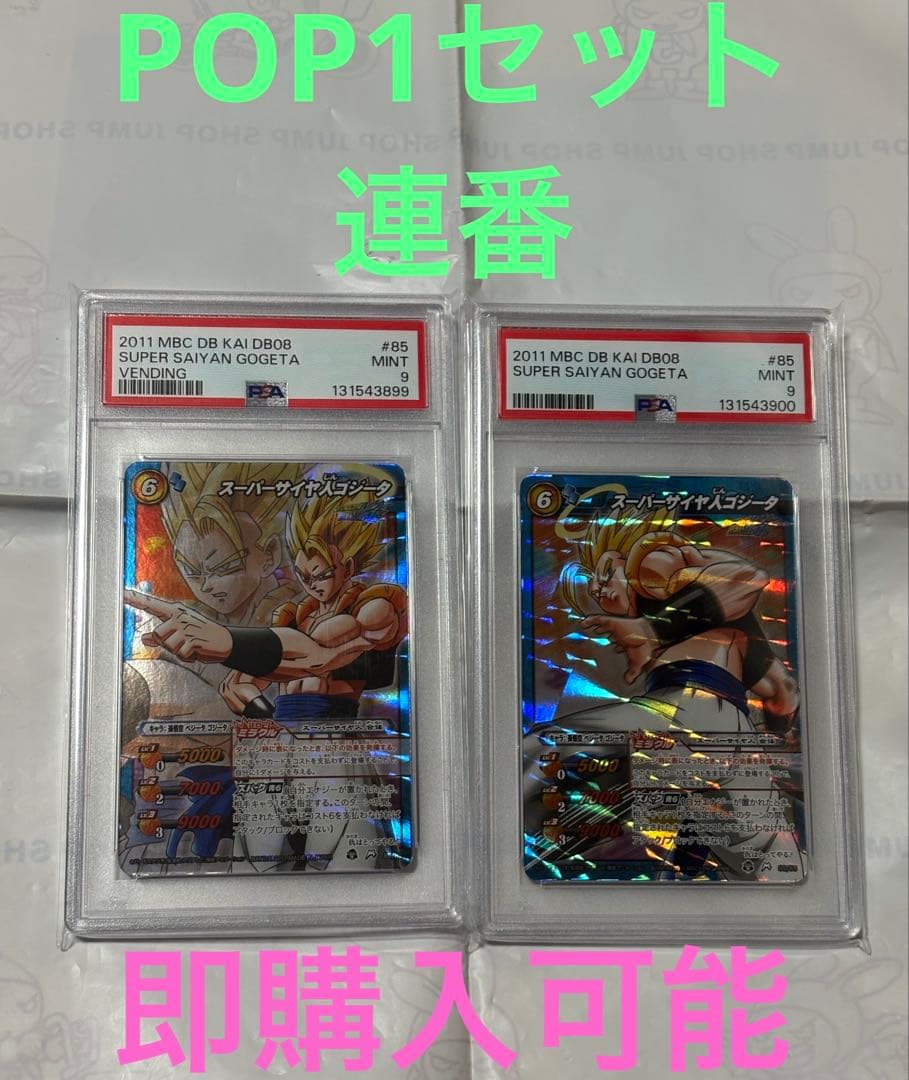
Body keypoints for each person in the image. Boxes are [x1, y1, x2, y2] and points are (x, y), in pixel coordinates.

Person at [525, 506, 803, 881]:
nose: (600, 590)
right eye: (595, 591)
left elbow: (749, 578)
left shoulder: (652, 562)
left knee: (542, 750)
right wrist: (768, 744)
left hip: (688, 713)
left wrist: (651, 629)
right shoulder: (743, 641)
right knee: (772, 864)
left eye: (603, 573)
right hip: (727, 741)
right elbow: (785, 695)